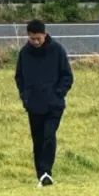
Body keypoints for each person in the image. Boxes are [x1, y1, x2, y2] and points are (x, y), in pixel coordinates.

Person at [14, 18, 73, 186]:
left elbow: (67, 76)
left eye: (38, 38)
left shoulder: (57, 51)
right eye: (32, 38)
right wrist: (25, 97)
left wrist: (58, 94)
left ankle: (47, 171)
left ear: (45, 34)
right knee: (37, 140)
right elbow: (19, 77)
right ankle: (41, 175)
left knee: (49, 136)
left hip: (54, 105)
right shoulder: (24, 53)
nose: (35, 41)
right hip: (33, 105)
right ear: (28, 36)